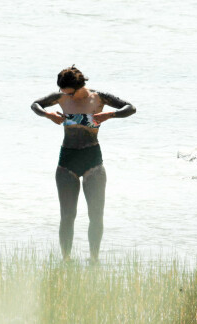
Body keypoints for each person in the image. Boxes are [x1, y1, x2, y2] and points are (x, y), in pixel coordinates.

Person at [31, 65, 136, 263]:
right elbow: (35, 105)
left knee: (96, 216)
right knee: (67, 216)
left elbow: (130, 108)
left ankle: (94, 260)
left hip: (93, 161)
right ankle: (66, 260)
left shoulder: (99, 98)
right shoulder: (61, 98)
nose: (64, 94)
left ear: (78, 86)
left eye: (67, 90)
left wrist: (110, 115)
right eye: (62, 90)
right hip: (67, 162)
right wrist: (48, 115)